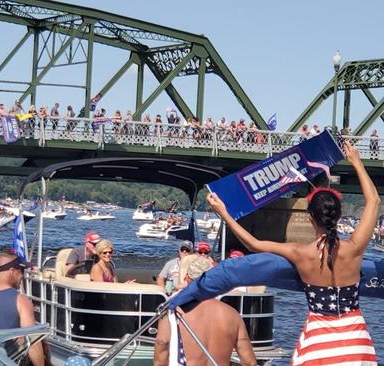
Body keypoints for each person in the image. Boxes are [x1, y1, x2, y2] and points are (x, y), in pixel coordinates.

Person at [206, 140, 379, 365]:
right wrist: (356, 161)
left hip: (317, 344)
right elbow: (374, 201)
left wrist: (223, 212)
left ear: (310, 218)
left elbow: (253, 244)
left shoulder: (300, 253)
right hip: (356, 343)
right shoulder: (354, 249)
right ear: (338, 215)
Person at [154, 299, 256, 366]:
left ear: (188, 279)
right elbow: (249, 362)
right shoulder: (232, 313)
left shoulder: (174, 312)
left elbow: (162, 343)